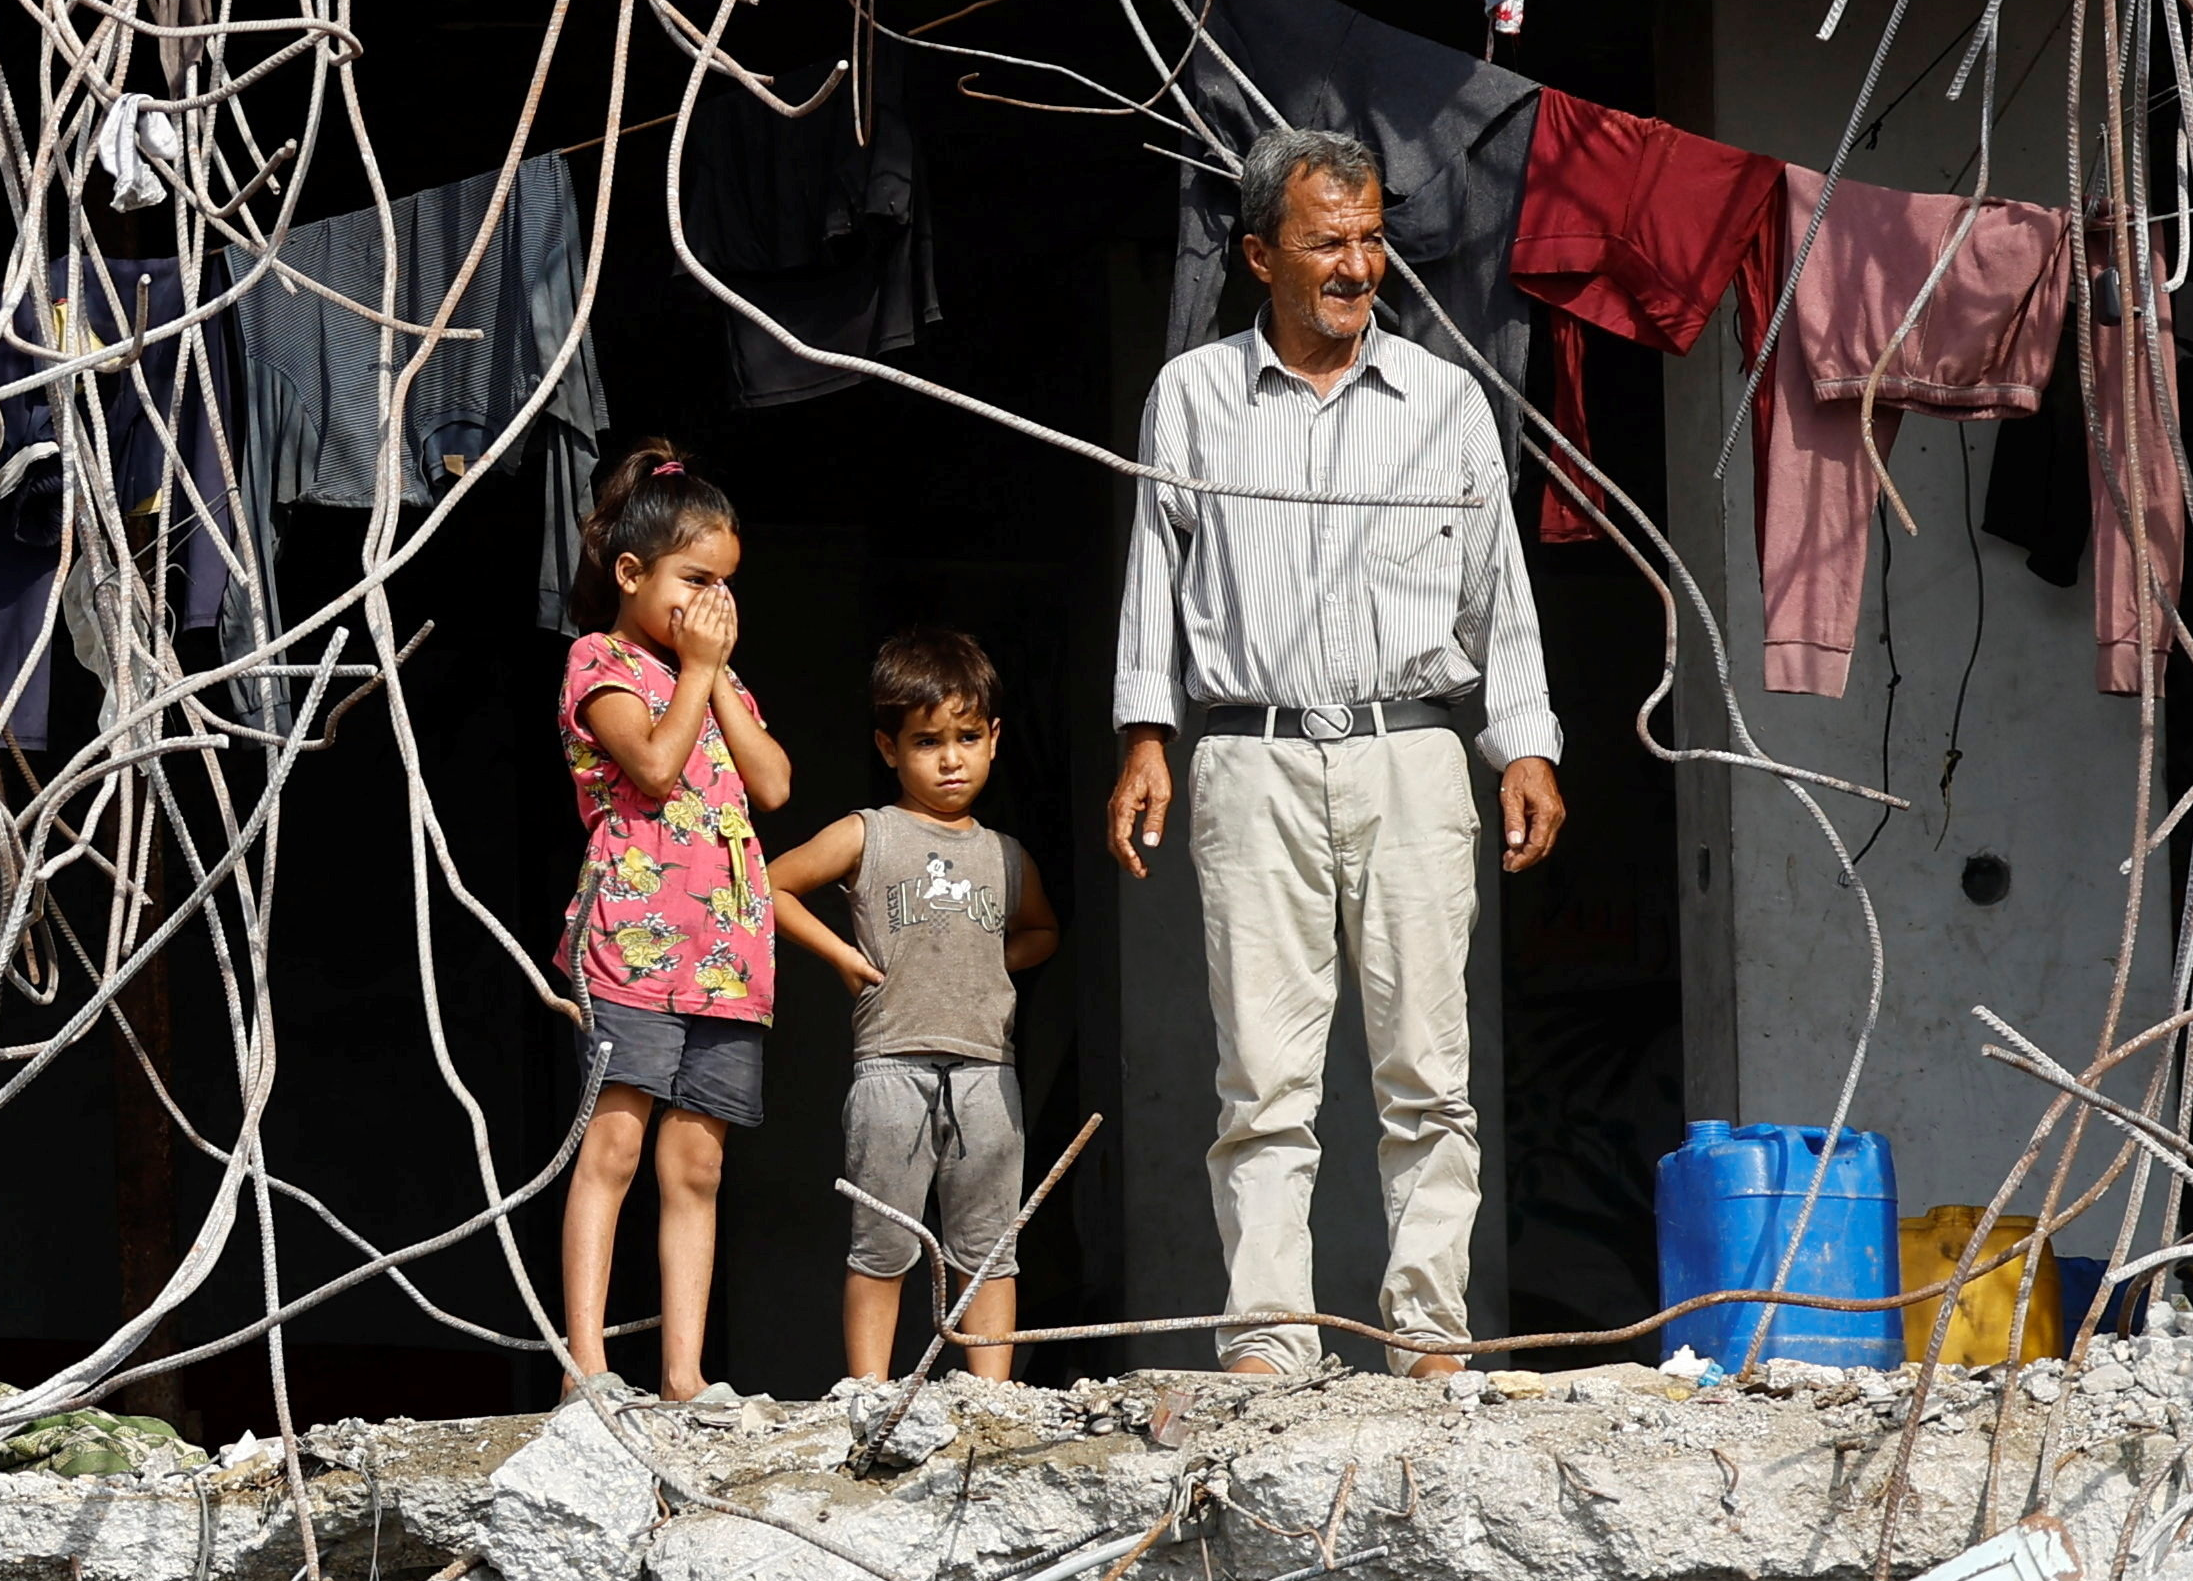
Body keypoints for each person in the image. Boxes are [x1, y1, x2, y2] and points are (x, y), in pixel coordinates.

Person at [1107, 125, 1568, 1377]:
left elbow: (1498, 592)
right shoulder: (1192, 397)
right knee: (1261, 1073)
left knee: (1430, 1068)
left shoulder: (1445, 398)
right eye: (1328, 241)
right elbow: (1156, 576)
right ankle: (1266, 1335)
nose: (1359, 264)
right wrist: (1147, 734)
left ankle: (1428, 1333)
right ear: (1260, 253)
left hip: (1413, 754)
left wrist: (1521, 744)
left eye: (1372, 237)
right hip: (1248, 758)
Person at [553, 446, 860, 1394]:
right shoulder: (598, 662)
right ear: (631, 574)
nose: (712, 602)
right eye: (695, 580)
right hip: (631, 949)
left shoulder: (718, 679)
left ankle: (684, 1374)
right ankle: (587, 1363)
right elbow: (649, 765)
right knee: (614, 1146)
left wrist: (716, 672)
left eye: (725, 584)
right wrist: (694, 671)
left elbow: (772, 785)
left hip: (727, 956)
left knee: (696, 1166)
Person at [771, 624, 1059, 1384]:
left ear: (995, 739)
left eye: (967, 736)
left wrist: (986, 957)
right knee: (884, 1242)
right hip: (891, 1066)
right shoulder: (871, 834)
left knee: (990, 1246)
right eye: (928, 740)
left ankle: (988, 1395)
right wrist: (842, 956)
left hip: (987, 1071)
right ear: (888, 747)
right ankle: (868, 1390)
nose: (951, 758)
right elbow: (771, 885)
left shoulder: (1005, 852)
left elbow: (1042, 932)